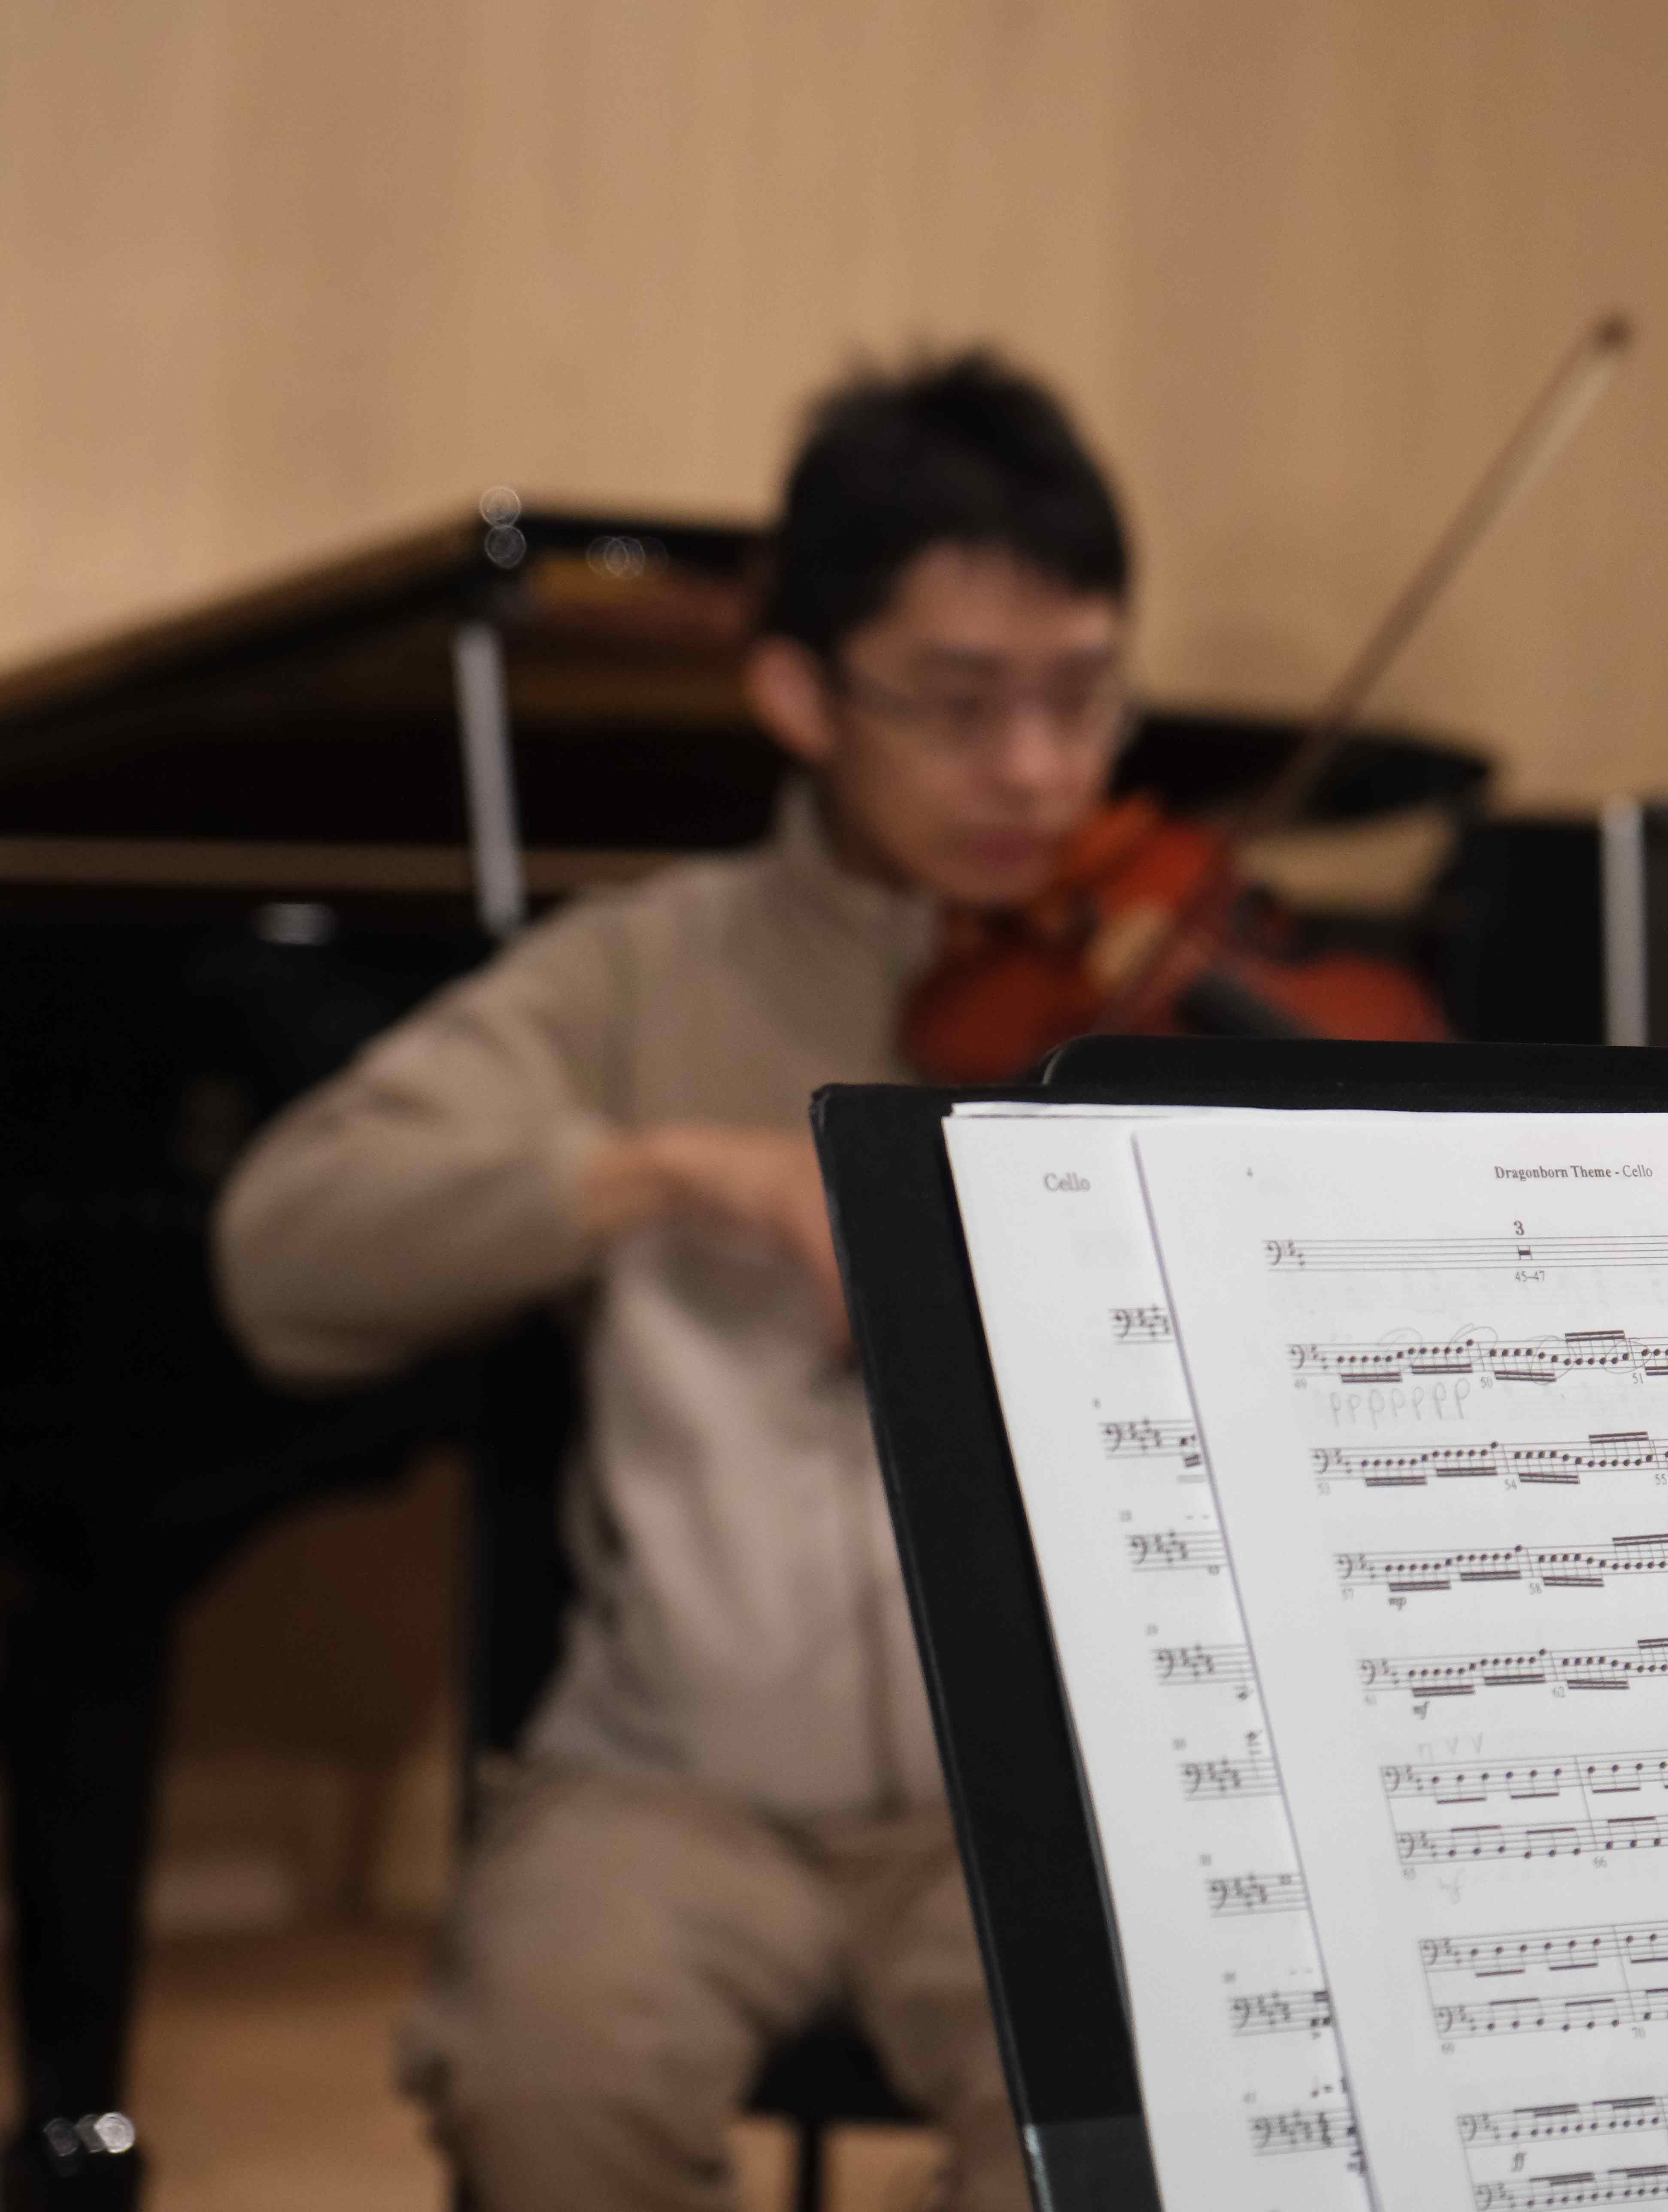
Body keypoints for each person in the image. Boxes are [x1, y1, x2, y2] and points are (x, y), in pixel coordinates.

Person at [210, 352, 1137, 2212]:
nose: (1038, 771)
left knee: (1156, 2116)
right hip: (676, 1784)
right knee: (547, 2075)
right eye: (962, 704)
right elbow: (287, 1245)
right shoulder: (644, 971)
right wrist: (668, 1169)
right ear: (799, 689)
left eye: (1082, 694)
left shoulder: (1151, 985)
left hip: (1050, 1793)